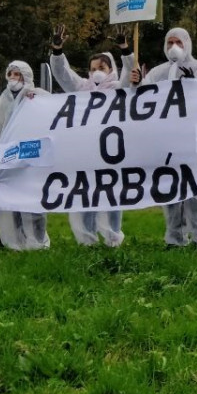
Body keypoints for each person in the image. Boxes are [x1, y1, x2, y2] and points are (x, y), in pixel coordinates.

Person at [49, 24, 134, 247]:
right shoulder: (82, 88)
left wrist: (125, 49)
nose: (97, 70)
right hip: (86, 151)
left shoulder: (118, 88)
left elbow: (129, 74)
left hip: (112, 151)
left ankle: (113, 236)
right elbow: (62, 74)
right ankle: (87, 238)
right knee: (87, 193)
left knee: (112, 194)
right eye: (93, 67)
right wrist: (57, 51)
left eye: (102, 67)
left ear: (111, 69)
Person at [134, 27, 197, 246]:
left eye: (179, 43)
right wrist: (135, 84)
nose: (174, 47)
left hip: (194, 139)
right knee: (171, 190)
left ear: (188, 44)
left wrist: (196, 87)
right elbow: (141, 101)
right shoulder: (157, 73)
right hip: (167, 140)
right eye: (170, 42)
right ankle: (175, 238)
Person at [0, 61, 50, 251]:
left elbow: (55, 111)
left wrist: (37, 99)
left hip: (32, 162)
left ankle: (37, 242)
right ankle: (14, 243)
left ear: (27, 77)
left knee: (32, 202)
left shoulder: (38, 97)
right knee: (10, 204)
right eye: (10, 74)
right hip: (7, 163)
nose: (13, 78)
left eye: (17, 74)